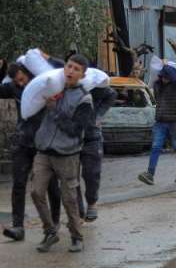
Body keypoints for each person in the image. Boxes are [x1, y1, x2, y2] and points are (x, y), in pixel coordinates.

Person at [32, 55, 94, 253]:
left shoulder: (84, 98)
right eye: (69, 66)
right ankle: (50, 232)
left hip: (67, 154)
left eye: (76, 69)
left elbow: (76, 129)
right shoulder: (53, 88)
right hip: (43, 151)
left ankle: (76, 236)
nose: (71, 71)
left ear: (82, 74)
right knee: (36, 192)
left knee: (69, 198)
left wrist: (54, 110)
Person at [0, 61, 61, 241]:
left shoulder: (45, 85)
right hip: (23, 142)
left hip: (45, 144)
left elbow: (62, 69)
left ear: (28, 72)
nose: (20, 84)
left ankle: (54, 222)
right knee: (18, 183)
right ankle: (18, 227)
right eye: (16, 81)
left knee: (51, 186)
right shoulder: (13, 87)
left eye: (21, 79)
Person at [138, 63, 176, 185]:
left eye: (167, 76)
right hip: (160, 121)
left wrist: (165, 67)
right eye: (163, 76)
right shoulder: (157, 85)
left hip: (175, 121)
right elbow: (156, 85)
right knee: (155, 147)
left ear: (171, 76)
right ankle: (150, 174)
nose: (164, 79)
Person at [77, 83, 117, 221]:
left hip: (92, 137)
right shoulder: (64, 86)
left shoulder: (94, 86)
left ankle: (91, 202)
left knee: (91, 173)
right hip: (70, 137)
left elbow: (112, 94)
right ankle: (77, 210)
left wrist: (98, 116)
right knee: (70, 177)